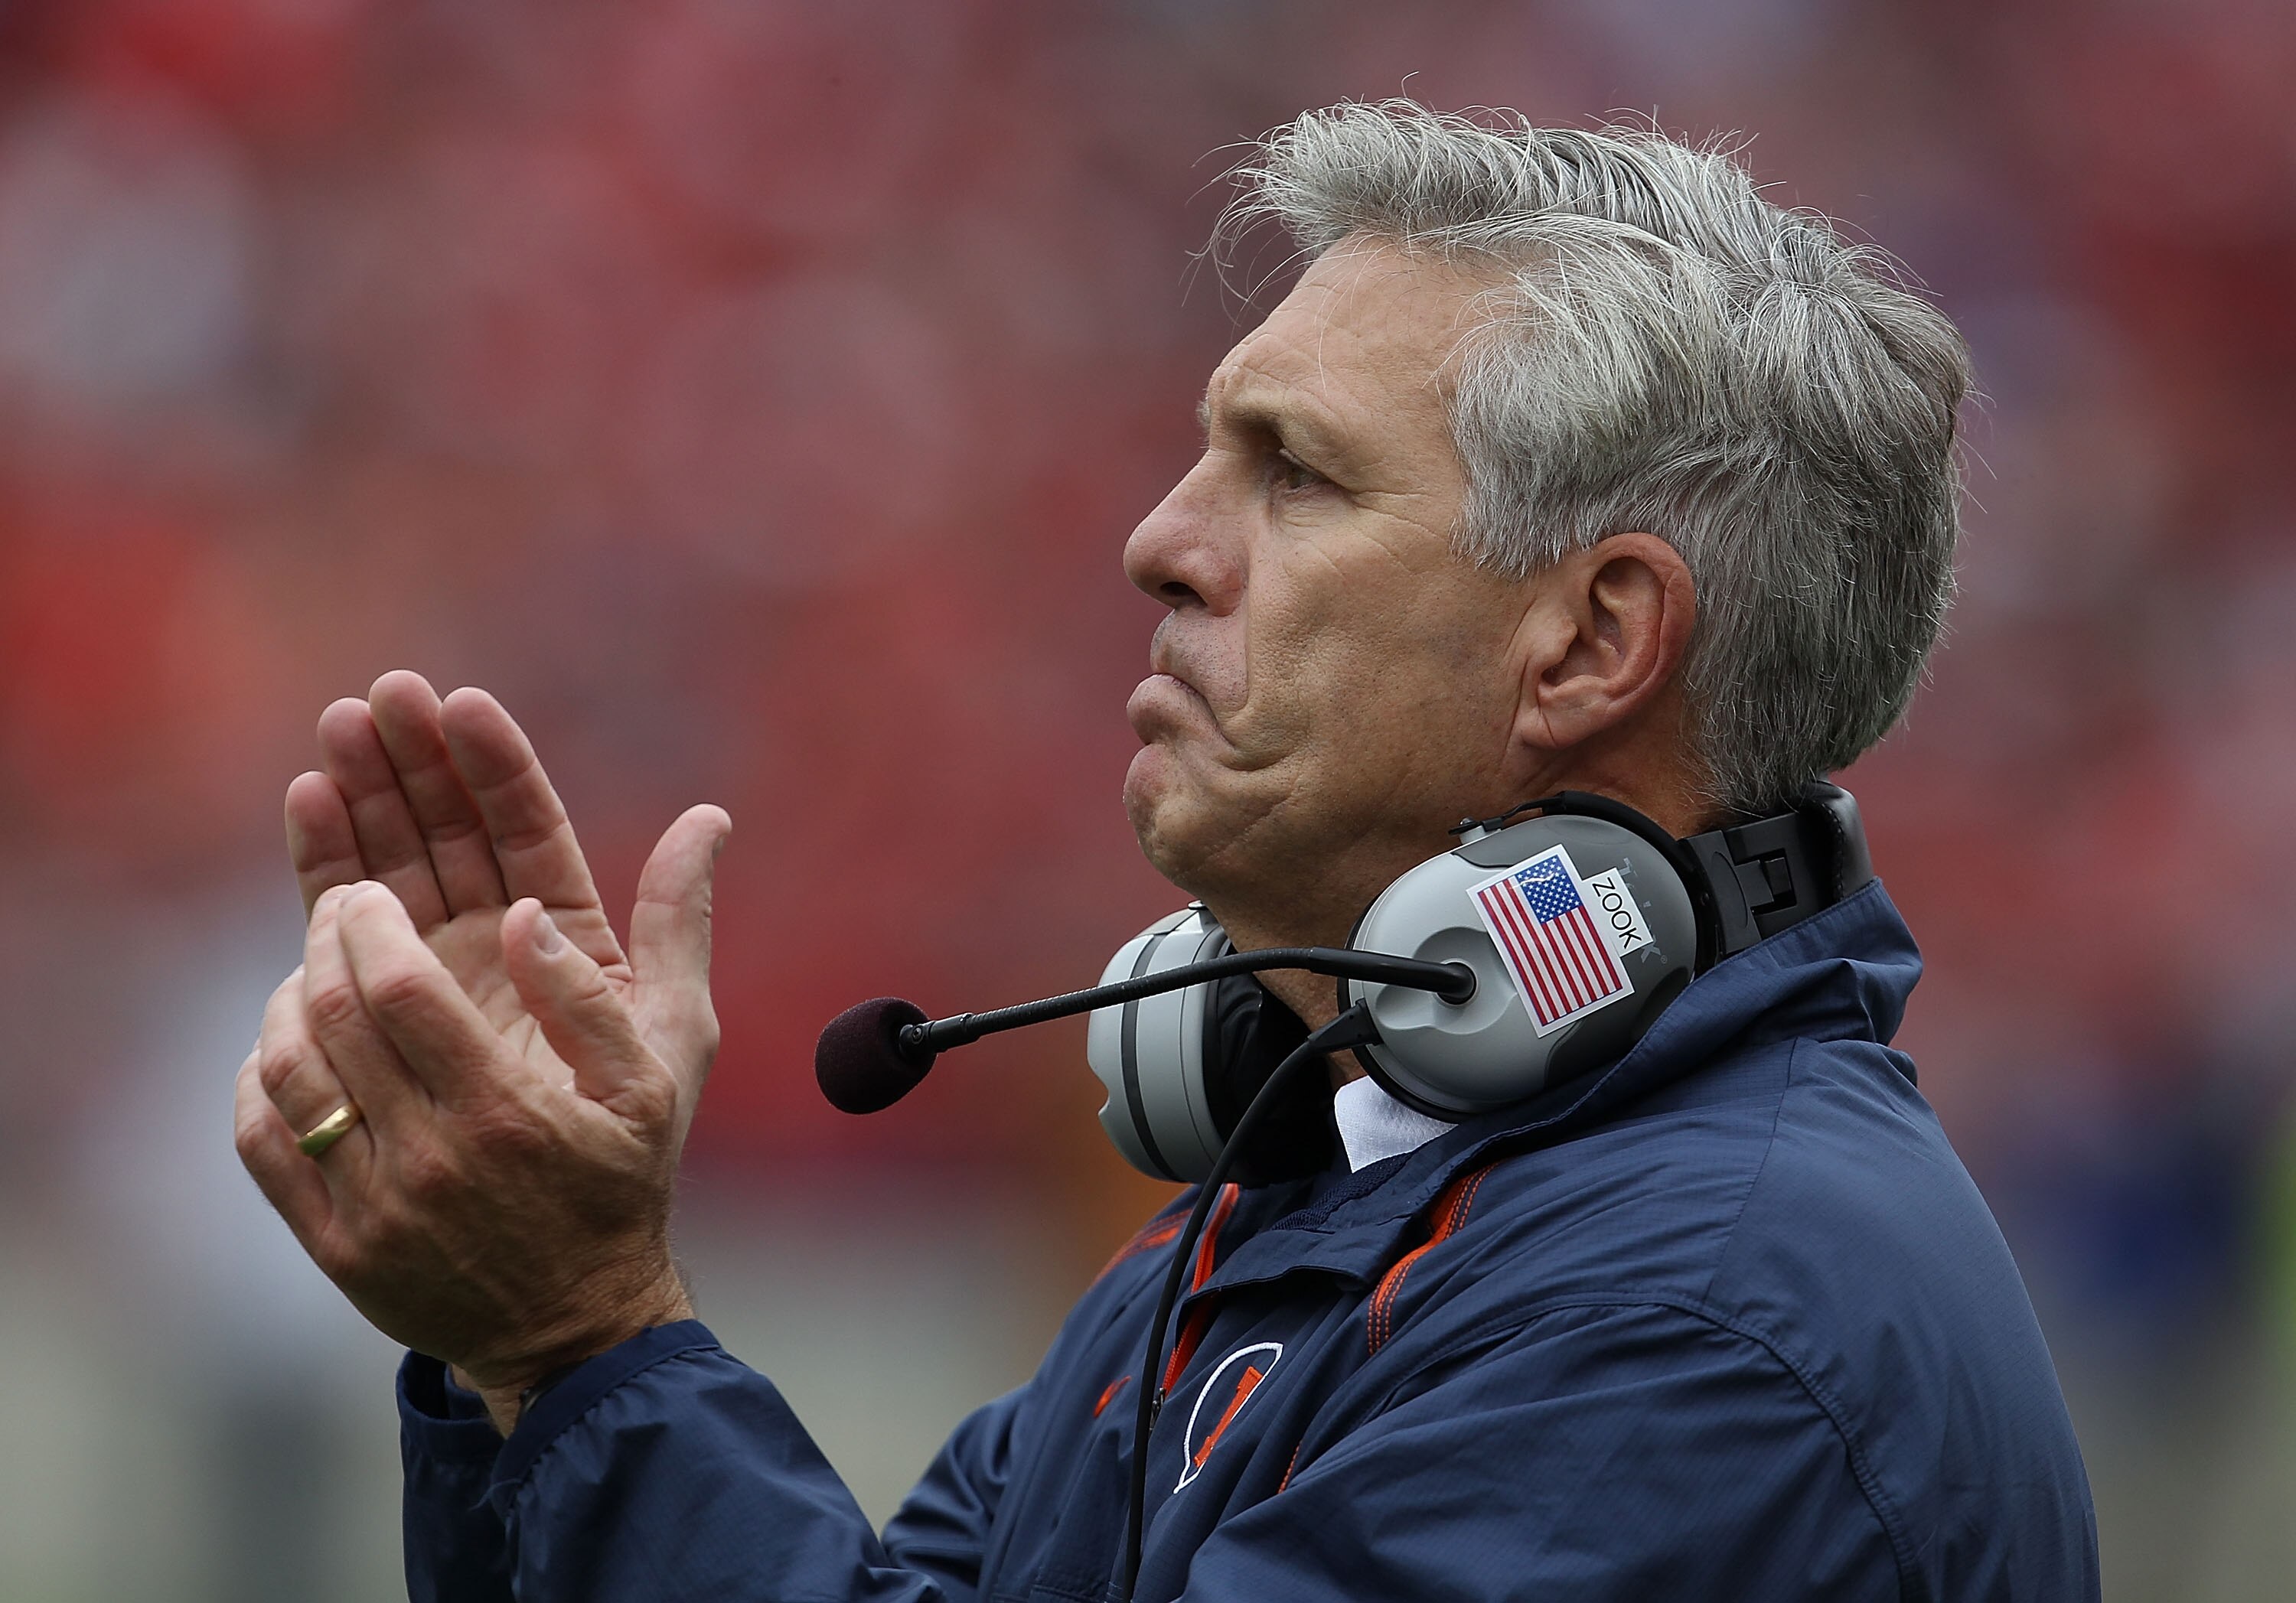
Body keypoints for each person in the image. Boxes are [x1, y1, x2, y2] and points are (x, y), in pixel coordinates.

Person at [234, 103, 2099, 1600]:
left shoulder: (1695, 1325)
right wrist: (519, 1357)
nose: (1160, 539)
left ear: (1593, 642)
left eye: (1295, 472)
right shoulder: (1321, 1188)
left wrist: (587, 1341)